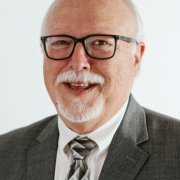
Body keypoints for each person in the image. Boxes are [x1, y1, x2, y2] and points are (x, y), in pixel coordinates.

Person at [0, 0, 180, 179]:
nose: (78, 64)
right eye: (61, 42)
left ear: (136, 57)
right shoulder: (5, 154)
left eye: (100, 42)